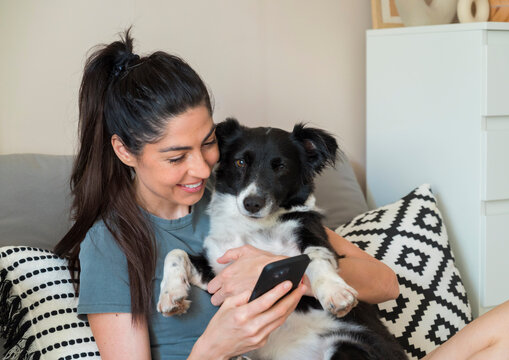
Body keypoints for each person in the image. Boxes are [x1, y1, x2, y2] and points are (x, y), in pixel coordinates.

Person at [54, 29, 399, 360]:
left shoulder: (238, 201)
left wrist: (283, 270)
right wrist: (215, 348)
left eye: (208, 144)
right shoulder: (110, 242)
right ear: (125, 151)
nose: (203, 171)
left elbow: (385, 284)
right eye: (176, 157)